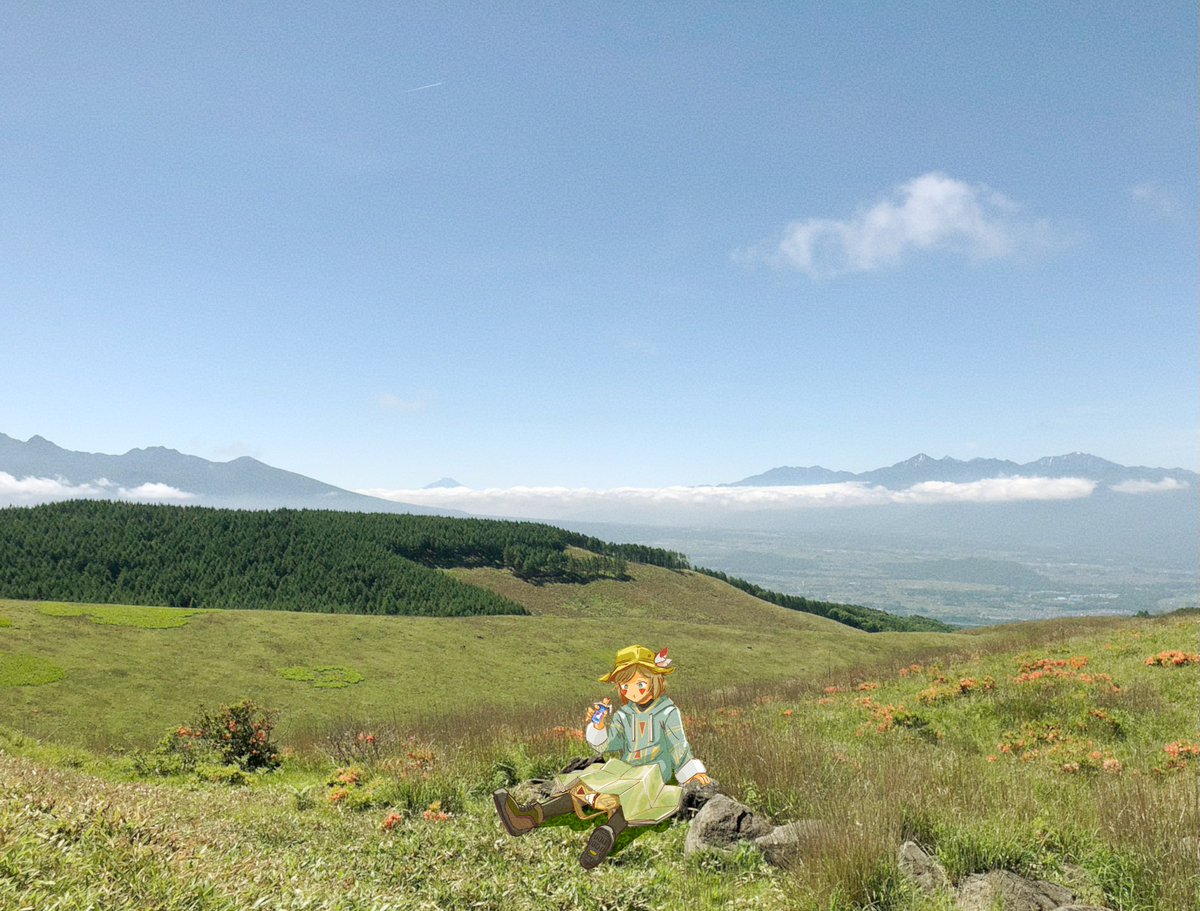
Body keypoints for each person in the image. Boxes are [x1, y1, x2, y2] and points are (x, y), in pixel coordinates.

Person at [493, 644, 711, 869]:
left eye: (640, 684)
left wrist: (690, 771)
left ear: (655, 680)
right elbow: (609, 744)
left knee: (636, 791)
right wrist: (598, 726)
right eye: (625, 686)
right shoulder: (625, 714)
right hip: (625, 766)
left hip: (654, 769)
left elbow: (678, 744)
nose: (633, 691)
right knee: (588, 782)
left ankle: (608, 833)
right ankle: (528, 817)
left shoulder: (667, 712)